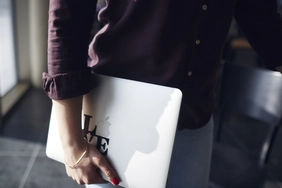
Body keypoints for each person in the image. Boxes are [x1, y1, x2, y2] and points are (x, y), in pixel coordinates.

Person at [43, 0, 282, 187]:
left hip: (193, 116)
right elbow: (67, 19)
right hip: (116, 119)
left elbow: (261, 16)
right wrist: (72, 143)